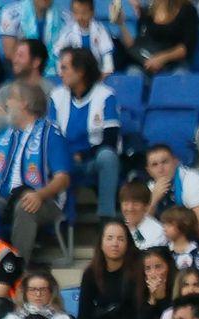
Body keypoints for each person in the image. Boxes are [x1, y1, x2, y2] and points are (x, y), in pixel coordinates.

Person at [0, 81, 71, 264]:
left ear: (24, 103)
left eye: (11, 98)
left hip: (45, 201)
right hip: (4, 199)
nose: (6, 103)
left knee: (25, 205)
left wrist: (39, 195)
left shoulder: (51, 133)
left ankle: (15, 271)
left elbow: (63, 179)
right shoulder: (5, 134)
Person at [50, 47, 120, 221]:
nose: (60, 73)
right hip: (63, 161)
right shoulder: (56, 96)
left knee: (108, 157)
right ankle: (54, 221)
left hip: (92, 160)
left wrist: (82, 155)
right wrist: (66, 156)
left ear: (80, 72)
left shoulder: (105, 95)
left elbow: (110, 139)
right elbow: (50, 137)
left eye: (65, 68)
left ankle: (106, 219)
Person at [145, 144, 199, 241]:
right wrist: (153, 201)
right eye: (154, 165)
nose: (160, 169)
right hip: (170, 243)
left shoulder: (193, 181)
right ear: (148, 170)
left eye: (165, 162)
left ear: (175, 162)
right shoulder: (150, 188)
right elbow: (139, 231)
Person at [114, 0, 197, 74]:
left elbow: (185, 48)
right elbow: (136, 46)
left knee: (178, 76)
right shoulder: (148, 11)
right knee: (133, 73)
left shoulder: (188, 10)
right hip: (147, 62)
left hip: (174, 63)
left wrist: (161, 58)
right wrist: (121, 24)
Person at [0, 0, 64, 73]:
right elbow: (9, 53)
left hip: (55, 71)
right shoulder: (10, 13)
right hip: (21, 70)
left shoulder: (64, 17)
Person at [53, 0, 114, 74]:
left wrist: (106, 71)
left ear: (92, 12)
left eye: (84, 13)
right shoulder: (67, 32)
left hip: (96, 73)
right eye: (76, 13)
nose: (80, 17)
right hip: (74, 75)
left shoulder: (100, 30)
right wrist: (61, 73)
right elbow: (58, 53)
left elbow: (107, 53)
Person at [119, 182, 167, 250]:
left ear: (146, 206)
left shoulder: (158, 232)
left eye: (135, 204)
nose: (130, 208)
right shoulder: (118, 228)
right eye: (126, 203)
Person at [160, 206, 199, 273]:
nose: (164, 228)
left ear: (183, 226)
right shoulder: (163, 251)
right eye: (164, 224)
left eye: (169, 225)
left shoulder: (197, 252)